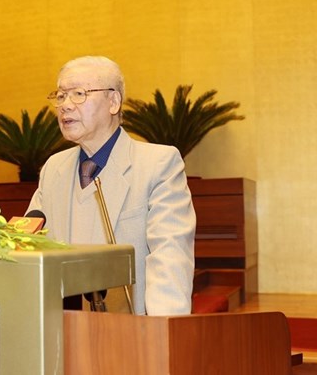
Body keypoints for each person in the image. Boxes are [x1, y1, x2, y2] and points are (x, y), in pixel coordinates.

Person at [27, 55, 196, 315]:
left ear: (113, 102)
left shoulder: (158, 164)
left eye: (79, 94)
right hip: (60, 334)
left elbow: (169, 259)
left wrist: (162, 338)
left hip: (130, 336)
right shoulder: (53, 169)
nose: (65, 106)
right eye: (60, 96)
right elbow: (30, 244)